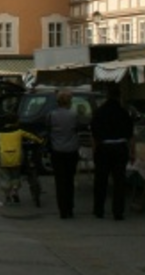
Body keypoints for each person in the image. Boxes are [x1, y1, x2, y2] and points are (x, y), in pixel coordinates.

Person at [91, 83, 135, 221]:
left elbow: (94, 133)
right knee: (119, 180)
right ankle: (118, 211)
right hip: (120, 147)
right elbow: (130, 134)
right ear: (119, 96)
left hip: (103, 147)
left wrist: (94, 150)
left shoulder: (99, 112)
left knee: (101, 180)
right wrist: (132, 151)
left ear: (107, 96)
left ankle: (99, 209)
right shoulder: (123, 113)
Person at [48, 89, 81, 219]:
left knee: (59, 181)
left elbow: (48, 130)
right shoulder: (74, 115)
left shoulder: (51, 115)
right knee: (69, 180)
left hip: (57, 150)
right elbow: (77, 129)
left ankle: (62, 208)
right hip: (71, 150)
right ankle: (70, 207)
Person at [0, 121, 42, 207]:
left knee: (5, 177)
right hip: (16, 158)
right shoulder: (19, 132)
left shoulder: (0, 134)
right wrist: (40, 141)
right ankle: (15, 191)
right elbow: (31, 136)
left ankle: (7, 196)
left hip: (4, 159)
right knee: (15, 176)